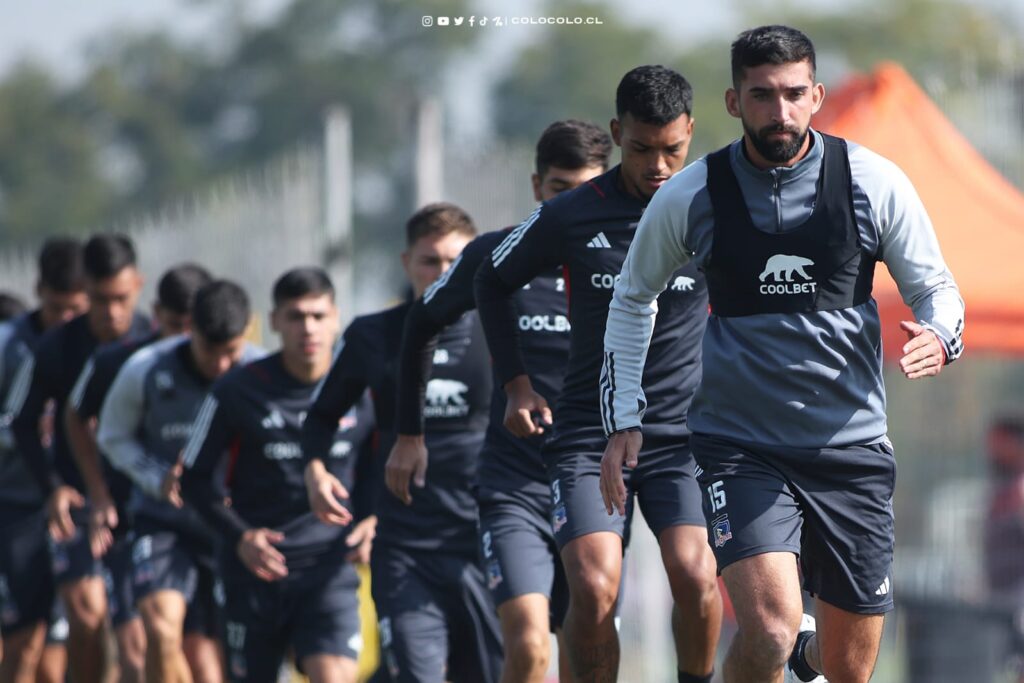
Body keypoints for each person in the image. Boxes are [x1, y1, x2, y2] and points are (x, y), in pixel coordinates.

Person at [601, 25, 965, 683]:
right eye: (763, 95)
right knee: (768, 630)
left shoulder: (871, 181)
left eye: (795, 93)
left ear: (817, 95)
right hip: (741, 446)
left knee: (844, 667)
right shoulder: (694, 194)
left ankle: (808, 656)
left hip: (850, 449)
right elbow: (632, 297)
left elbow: (936, 288)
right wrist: (625, 412)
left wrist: (941, 334)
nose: (781, 110)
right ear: (735, 101)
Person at [474, 66, 721, 683]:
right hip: (588, 432)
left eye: (673, 149)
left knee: (695, 574)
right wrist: (516, 383)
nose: (658, 166)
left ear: (691, 132)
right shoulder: (573, 213)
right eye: (641, 149)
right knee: (592, 584)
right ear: (617, 134)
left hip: (680, 439)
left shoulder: (715, 210)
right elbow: (490, 278)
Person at [386, 119, 610, 683]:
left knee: (587, 636)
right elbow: (422, 321)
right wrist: (409, 434)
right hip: (515, 482)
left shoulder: (632, 259)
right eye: (561, 190)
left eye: (587, 189)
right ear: (537, 187)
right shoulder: (498, 256)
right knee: (531, 644)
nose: (574, 204)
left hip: (595, 479)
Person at [303, 203, 502, 683]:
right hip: (405, 550)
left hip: (484, 543)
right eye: (430, 261)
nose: (442, 273)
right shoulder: (372, 335)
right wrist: (315, 470)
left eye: (455, 261)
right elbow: (321, 417)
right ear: (406, 263)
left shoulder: (502, 329)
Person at [180, 268, 375, 683]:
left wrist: (374, 517)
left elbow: (383, 461)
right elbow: (192, 480)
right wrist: (240, 536)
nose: (308, 328)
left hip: (328, 571)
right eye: (295, 316)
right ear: (273, 322)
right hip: (252, 573)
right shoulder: (235, 391)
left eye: (318, 316)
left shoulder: (364, 388)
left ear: (336, 317)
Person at [97, 280, 260, 683]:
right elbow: (112, 435)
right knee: (161, 629)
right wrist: (155, 477)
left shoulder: (262, 372)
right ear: (191, 331)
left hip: (233, 529)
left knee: (214, 665)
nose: (222, 366)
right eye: (210, 351)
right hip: (164, 522)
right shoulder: (146, 368)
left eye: (231, 353)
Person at [9, 233, 150, 683]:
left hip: (142, 505)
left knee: (140, 641)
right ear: (85, 289)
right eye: (99, 299)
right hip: (79, 506)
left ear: (139, 286)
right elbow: (22, 422)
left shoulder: (153, 342)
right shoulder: (56, 347)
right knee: (86, 613)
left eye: (121, 298)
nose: (110, 311)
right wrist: (54, 488)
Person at [65, 263, 213, 683]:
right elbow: (77, 419)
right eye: (173, 324)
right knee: (140, 645)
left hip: (209, 527)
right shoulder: (127, 363)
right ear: (156, 313)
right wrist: (99, 494)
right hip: (136, 521)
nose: (183, 337)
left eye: (192, 326)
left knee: (202, 659)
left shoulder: (226, 363)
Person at [0, 238, 88, 683]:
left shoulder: (101, 347)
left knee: (85, 628)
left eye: (77, 308)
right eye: (58, 308)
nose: (67, 320)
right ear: (38, 292)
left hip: (79, 511)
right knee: (24, 644)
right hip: (16, 511)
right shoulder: (8, 349)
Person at [983, 414, 1024, 683]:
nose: (991, 450)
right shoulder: (1002, 489)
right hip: (1000, 603)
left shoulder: (1019, 491)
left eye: (998, 442)